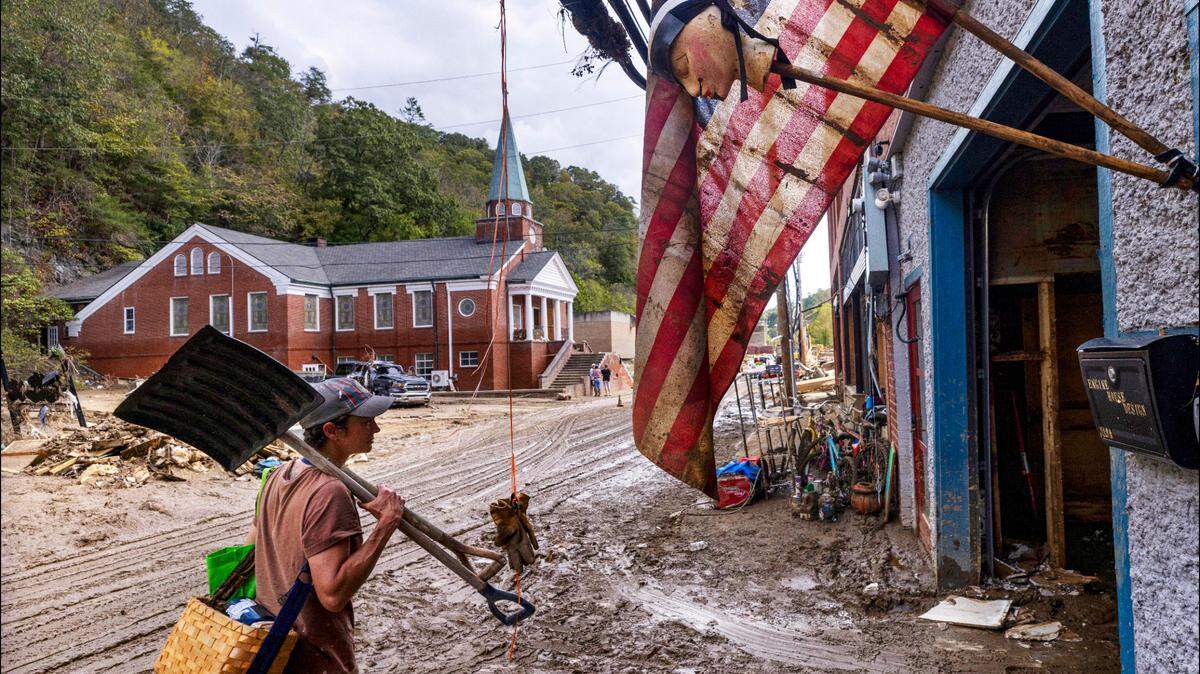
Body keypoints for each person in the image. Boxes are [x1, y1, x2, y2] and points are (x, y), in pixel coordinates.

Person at [247, 377, 405, 673]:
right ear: (332, 430)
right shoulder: (329, 492)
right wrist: (387, 523)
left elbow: (250, 547)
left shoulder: (279, 474)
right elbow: (332, 595)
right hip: (314, 657)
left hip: (274, 651)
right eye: (366, 421)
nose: (376, 428)